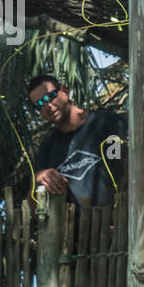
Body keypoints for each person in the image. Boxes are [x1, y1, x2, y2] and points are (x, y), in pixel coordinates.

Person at [28, 73, 127, 208]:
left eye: (50, 97)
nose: (47, 106)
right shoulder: (48, 147)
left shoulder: (106, 123)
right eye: (39, 104)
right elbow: (35, 208)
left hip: (118, 221)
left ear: (64, 92)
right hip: (76, 227)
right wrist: (38, 180)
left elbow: (124, 169)